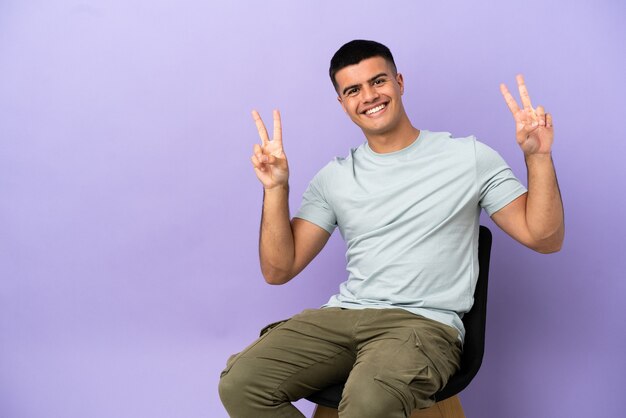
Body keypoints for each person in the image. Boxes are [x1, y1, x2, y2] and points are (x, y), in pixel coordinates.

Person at [218, 40, 564, 418]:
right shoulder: (334, 177)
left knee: (367, 403)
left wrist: (538, 157)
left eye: (378, 81)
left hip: (421, 324)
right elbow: (278, 269)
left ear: (399, 82)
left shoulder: (468, 157)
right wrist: (276, 189)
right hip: (342, 317)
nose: (369, 96)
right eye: (353, 90)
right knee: (241, 382)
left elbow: (544, 238)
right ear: (342, 103)